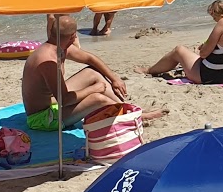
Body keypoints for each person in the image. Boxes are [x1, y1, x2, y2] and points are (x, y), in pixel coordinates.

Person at [22, 15, 152, 128]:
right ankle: (131, 117)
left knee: (92, 73)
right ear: (73, 36)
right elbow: (65, 100)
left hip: (52, 100)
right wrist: (94, 89)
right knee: (98, 99)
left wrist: (114, 78)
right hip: (41, 118)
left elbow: (90, 58)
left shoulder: (59, 46)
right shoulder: (49, 61)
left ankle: (128, 108)